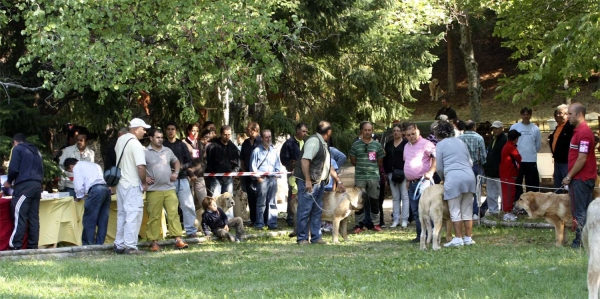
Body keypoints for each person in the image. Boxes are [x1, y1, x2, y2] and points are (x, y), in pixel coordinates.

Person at [294, 121, 344, 245]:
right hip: (310, 182)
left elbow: (329, 166)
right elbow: (305, 161)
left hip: (319, 182)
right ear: (329, 132)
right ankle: (302, 238)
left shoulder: (323, 144)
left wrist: (338, 181)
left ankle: (316, 237)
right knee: (305, 210)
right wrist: (307, 180)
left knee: (317, 211)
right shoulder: (314, 142)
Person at [434, 120, 477, 247]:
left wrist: (444, 178)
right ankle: (468, 238)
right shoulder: (461, 141)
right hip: (469, 176)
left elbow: (440, 167)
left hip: (453, 177)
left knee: (455, 210)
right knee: (467, 210)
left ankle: (458, 238)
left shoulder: (440, 145)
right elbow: (470, 162)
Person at [144, 128, 189, 251]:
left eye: (161, 137)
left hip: (169, 188)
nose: (160, 140)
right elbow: (139, 167)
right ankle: (154, 243)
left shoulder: (167, 150)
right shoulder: (145, 152)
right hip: (153, 190)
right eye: (157, 137)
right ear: (151, 138)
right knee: (154, 216)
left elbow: (176, 162)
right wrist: (144, 178)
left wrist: (176, 173)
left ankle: (178, 240)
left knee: (173, 213)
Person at [562, 103, 597, 248]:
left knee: (580, 211)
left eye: (570, 114)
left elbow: (582, 158)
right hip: (583, 177)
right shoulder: (578, 131)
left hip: (581, 179)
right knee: (585, 210)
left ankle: (580, 242)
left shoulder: (583, 133)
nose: (567, 117)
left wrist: (569, 176)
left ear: (579, 114)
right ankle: (587, 240)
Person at [113, 118, 150, 255]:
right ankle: (131, 246)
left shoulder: (120, 140)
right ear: (135, 129)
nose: (145, 132)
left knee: (122, 214)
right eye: (143, 129)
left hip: (121, 183)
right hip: (133, 183)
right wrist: (144, 182)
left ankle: (120, 244)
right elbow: (140, 166)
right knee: (133, 214)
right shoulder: (135, 144)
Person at [5, 133, 43, 250]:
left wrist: (9, 181)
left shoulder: (17, 149)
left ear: (15, 142)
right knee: (33, 218)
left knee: (19, 215)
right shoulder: (36, 151)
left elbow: (13, 168)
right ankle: (33, 246)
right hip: (37, 186)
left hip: (24, 187)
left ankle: (15, 245)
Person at [64, 158, 111, 245]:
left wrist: (79, 197)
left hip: (95, 190)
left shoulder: (77, 167)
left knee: (89, 220)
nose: (71, 172)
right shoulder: (94, 165)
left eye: (70, 170)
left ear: (71, 166)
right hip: (106, 189)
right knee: (103, 220)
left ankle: (88, 245)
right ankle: (99, 245)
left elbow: (78, 186)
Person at [163, 121, 198, 238]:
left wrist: (181, 167)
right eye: (168, 129)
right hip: (167, 180)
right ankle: (173, 231)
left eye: (172, 129)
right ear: (165, 131)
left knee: (188, 205)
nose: (170, 131)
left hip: (182, 178)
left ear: (176, 131)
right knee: (170, 208)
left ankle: (191, 230)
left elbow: (189, 161)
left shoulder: (181, 145)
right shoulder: (162, 145)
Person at [403, 122, 436, 243]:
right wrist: (407, 179)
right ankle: (420, 235)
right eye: (408, 135)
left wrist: (431, 172)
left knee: (427, 210)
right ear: (405, 135)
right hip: (412, 183)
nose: (411, 136)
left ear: (418, 131)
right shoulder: (407, 146)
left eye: (413, 133)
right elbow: (407, 162)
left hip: (423, 182)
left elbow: (436, 157)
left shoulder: (426, 144)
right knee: (416, 211)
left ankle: (432, 235)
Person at [350, 121, 385, 233]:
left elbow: (380, 161)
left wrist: (371, 168)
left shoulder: (377, 145)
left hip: (373, 177)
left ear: (372, 131)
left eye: (369, 130)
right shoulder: (355, 145)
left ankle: (376, 223)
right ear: (361, 131)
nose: (367, 132)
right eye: (365, 130)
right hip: (360, 177)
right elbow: (353, 160)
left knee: (374, 200)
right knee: (358, 201)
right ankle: (358, 225)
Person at [250, 129, 282, 230]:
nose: (268, 139)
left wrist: (276, 176)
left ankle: (272, 223)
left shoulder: (274, 151)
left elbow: (278, 165)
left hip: (272, 179)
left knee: (272, 202)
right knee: (261, 202)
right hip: (262, 180)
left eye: (270, 137)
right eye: (266, 137)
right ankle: (260, 223)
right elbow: (252, 167)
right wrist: (258, 178)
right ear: (262, 138)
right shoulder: (256, 151)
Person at [457, 120, 487, 219]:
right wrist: (484, 165)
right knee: (476, 191)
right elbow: (483, 155)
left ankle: (464, 211)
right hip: (476, 166)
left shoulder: (459, 138)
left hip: (462, 167)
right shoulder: (479, 138)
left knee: (464, 190)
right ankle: (474, 212)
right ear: (474, 127)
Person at [510, 107, 541, 200]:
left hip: (531, 160)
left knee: (532, 185)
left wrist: (531, 152)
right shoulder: (515, 127)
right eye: (524, 114)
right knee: (517, 184)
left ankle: (532, 204)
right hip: (518, 160)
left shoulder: (535, 128)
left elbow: (538, 145)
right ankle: (517, 203)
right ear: (521, 115)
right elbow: (511, 143)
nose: (526, 116)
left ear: (530, 115)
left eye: (528, 114)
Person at [280, 122, 307, 226]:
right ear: (297, 131)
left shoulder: (306, 142)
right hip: (293, 174)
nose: (305, 133)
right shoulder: (289, 143)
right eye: (303, 131)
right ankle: (291, 217)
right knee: (293, 194)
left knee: (302, 194)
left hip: (304, 174)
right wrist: (290, 167)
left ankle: (301, 216)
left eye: (306, 132)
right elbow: (284, 159)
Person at [383, 123, 409, 228]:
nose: (396, 132)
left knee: (405, 196)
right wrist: (385, 173)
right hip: (391, 173)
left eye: (398, 130)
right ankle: (396, 219)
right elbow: (385, 158)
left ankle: (405, 219)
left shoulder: (406, 143)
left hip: (403, 173)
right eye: (394, 131)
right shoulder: (388, 144)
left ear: (402, 132)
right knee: (395, 197)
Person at [205, 125, 240, 196]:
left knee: (228, 202)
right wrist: (212, 175)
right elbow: (208, 162)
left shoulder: (233, 148)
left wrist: (233, 173)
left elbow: (237, 164)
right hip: (214, 178)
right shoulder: (212, 146)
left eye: (229, 134)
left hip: (228, 179)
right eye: (225, 135)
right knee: (215, 202)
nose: (227, 137)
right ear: (221, 134)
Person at [58, 129, 95, 198]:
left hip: (85, 188)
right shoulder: (67, 150)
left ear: (87, 141)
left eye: (81, 140)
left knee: (83, 208)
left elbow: (91, 170)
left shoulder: (91, 153)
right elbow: (61, 168)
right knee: (69, 207)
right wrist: (61, 185)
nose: (78, 142)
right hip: (70, 186)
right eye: (77, 140)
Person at [483, 121, 507, 216]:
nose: (495, 130)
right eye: (493, 128)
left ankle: (504, 211)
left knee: (502, 194)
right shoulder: (494, 139)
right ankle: (493, 211)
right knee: (491, 194)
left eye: (497, 128)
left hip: (500, 172)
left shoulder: (504, 140)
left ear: (502, 128)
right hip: (491, 171)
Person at [548, 104, 574, 192]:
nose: (557, 115)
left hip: (566, 162)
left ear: (567, 114)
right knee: (557, 186)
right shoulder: (558, 127)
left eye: (560, 113)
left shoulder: (571, 127)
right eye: (557, 113)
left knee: (568, 187)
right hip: (557, 161)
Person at [240, 122, 261, 225]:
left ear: (254, 130)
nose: (246, 131)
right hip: (248, 175)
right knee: (251, 198)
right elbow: (242, 159)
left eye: (248, 129)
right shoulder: (245, 143)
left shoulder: (262, 141)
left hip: (260, 176)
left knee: (260, 198)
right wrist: (244, 172)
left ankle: (261, 220)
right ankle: (253, 220)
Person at [500, 130, 522, 215]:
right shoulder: (511, 147)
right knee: (509, 195)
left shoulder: (507, 145)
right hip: (508, 174)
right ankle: (507, 212)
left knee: (507, 194)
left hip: (506, 174)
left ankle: (507, 211)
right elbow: (519, 158)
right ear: (516, 139)